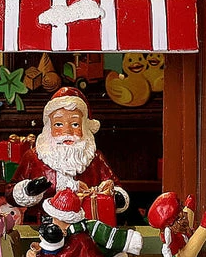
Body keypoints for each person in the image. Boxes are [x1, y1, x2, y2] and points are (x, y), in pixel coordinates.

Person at [10, 86, 126, 218]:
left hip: (85, 222)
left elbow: (115, 187)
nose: (67, 132)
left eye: (75, 124)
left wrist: (115, 197)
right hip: (43, 222)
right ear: (49, 127)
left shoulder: (95, 158)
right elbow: (11, 193)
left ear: (84, 127)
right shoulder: (33, 157)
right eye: (58, 124)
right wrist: (28, 190)